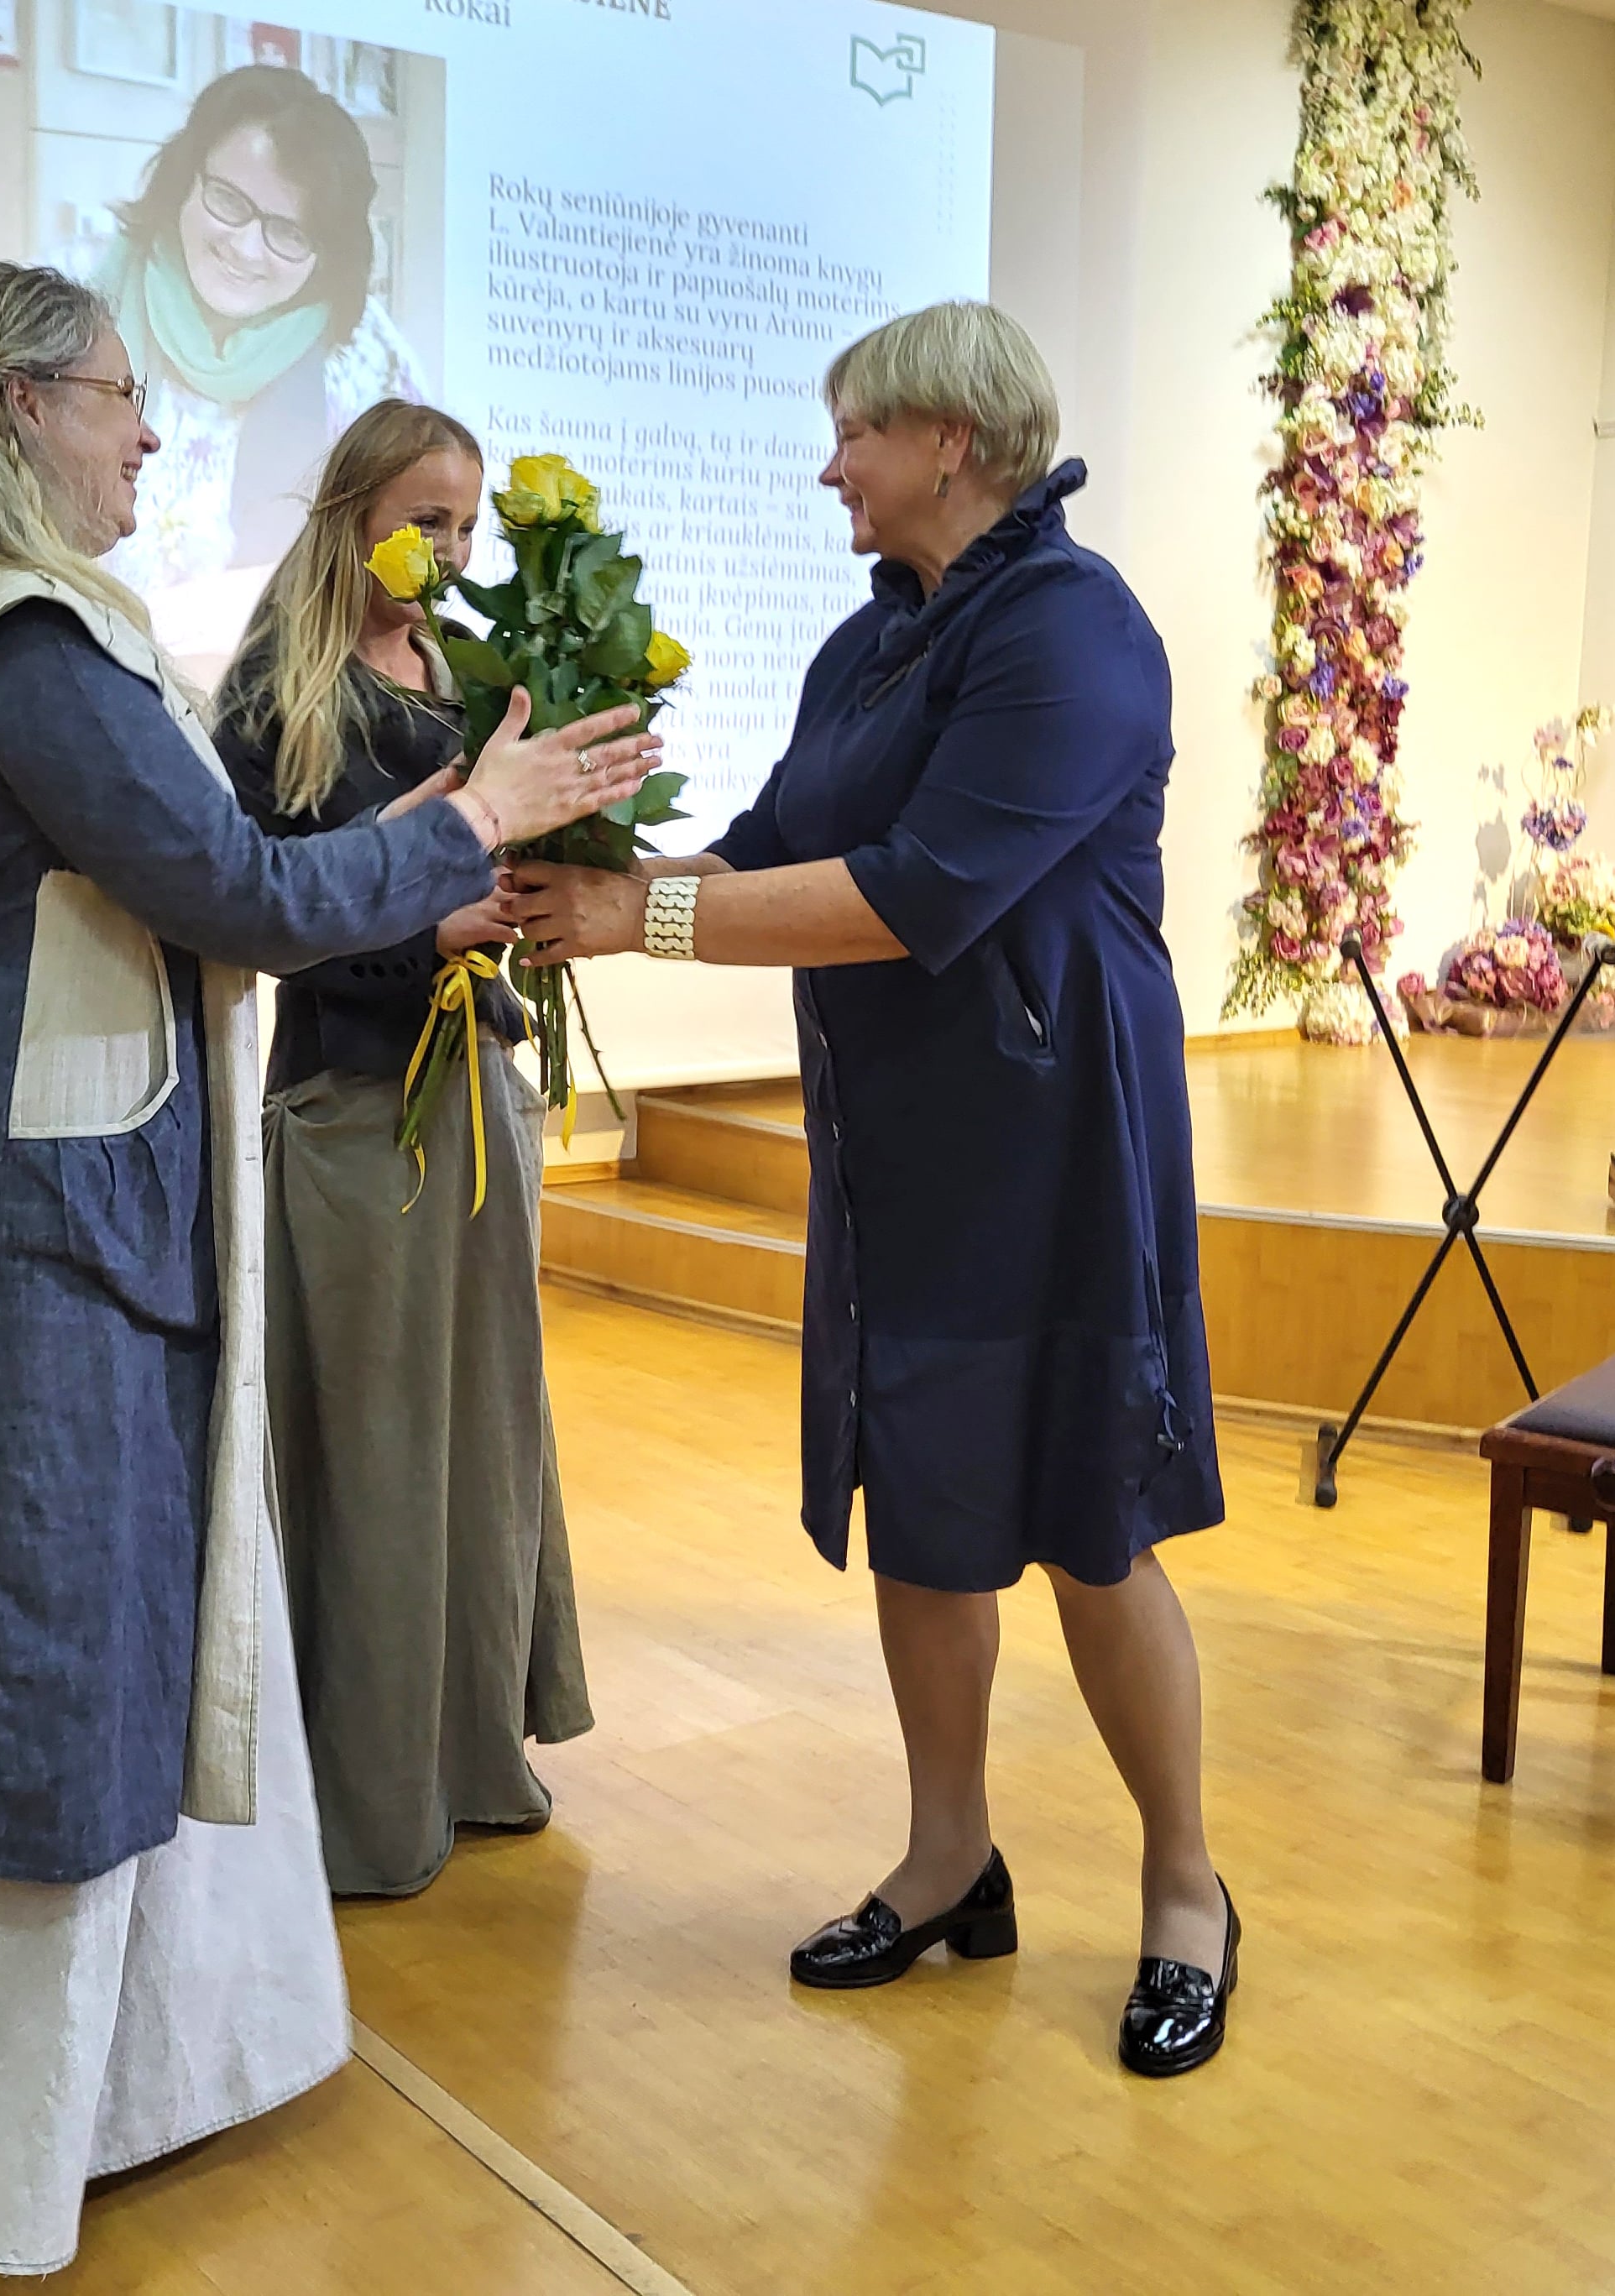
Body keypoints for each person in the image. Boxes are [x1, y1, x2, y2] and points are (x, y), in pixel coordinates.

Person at [0, 261, 652, 2273]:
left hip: (21, 1186)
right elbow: (241, 896)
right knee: (40, 1638)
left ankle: (98, 2092)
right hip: (34, 1221)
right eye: (118, 392)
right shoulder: (28, 647)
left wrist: (431, 836)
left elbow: (210, 888)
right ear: (15, 409)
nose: (151, 428)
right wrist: (478, 817)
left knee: (67, 1628)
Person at [504, 301, 1239, 2079]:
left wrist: (631, 914)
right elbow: (768, 852)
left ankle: (1183, 1887)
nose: (827, 467)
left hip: (1055, 1149)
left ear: (949, 444)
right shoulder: (867, 643)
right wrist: (561, 874)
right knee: (922, 1506)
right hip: (902, 1143)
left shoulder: (1074, 631)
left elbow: (918, 892)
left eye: (853, 434)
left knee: (1086, 1523)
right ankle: (945, 1858)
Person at [211, 399, 593, 1899]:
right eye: (424, 520)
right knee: (372, 1448)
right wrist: (417, 931)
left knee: (482, 1432)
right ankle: (369, 1800)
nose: (450, 549)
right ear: (351, 512)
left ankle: (472, 1754)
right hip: (355, 1111)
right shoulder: (276, 698)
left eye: (468, 525)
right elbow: (266, 924)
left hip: (480, 1094)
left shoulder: (472, 678)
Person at [64, 65, 424, 629]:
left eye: (288, 233)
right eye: (229, 201)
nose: (247, 249)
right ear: (186, 179)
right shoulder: (72, 293)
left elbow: (404, 580)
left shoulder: (374, 362)